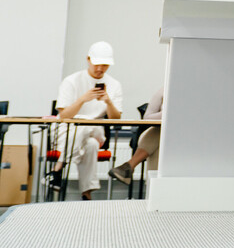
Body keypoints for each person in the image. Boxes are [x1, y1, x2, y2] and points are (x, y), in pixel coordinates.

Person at [50, 41, 123, 199]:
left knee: (87, 125)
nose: (100, 69)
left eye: (105, 65)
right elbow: (64, 116)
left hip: (96, 130)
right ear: (88, 59)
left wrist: (108, 102)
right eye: (97, 64)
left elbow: (116, 119)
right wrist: (82, 99)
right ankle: (87, 194)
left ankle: (58, 169)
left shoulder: (114, 85)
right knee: (90, 145)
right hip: (68, 131)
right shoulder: (71, 81)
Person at [108, 87, 163, 185]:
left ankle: (129, 166)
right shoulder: (163, 90)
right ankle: (153, 188)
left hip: (182, 136)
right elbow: (147, 118)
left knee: (157, 135)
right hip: (163, 136)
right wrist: (166, 113)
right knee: (158, 137)